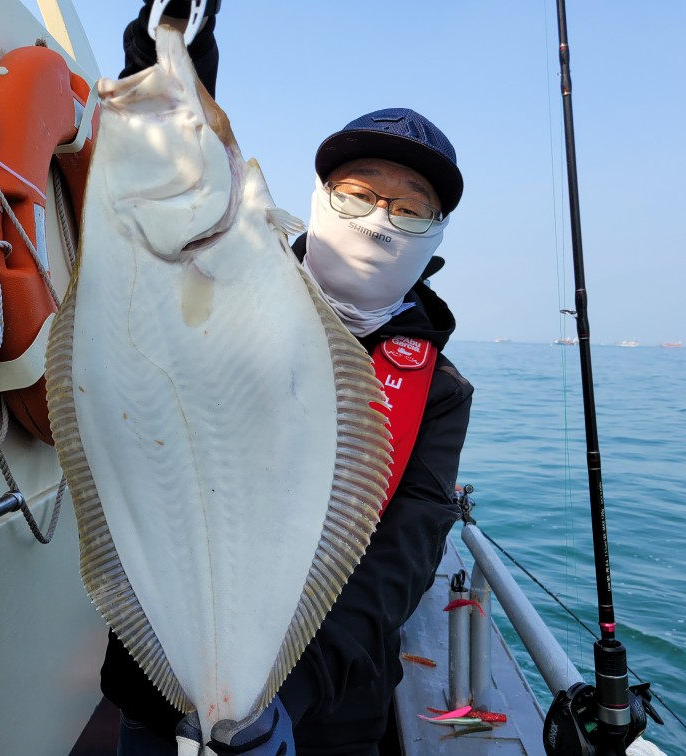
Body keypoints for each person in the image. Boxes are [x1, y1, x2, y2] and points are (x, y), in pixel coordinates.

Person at [94, 3, 474, 754]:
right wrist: (166, 69)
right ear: (317, 199)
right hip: (157, 686)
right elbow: (157, 229)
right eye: (358, 193)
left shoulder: (441, 391)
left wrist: (280, 704)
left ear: (434, 236)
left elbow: (403, 556)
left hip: (323, 720)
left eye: (409, 208)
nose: (379, 218)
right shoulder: (235, 278)